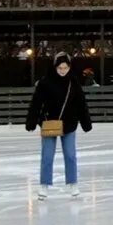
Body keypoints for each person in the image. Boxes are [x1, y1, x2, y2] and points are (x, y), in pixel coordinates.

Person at [26, 52, 94, 199]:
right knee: (47, 156)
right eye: (60, 68)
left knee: (70, 155)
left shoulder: (73, 82)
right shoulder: (45, 82)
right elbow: (36, 102)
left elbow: (81, 104)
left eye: (65, 68)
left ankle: (73, 183)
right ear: (55, 67)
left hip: (69, 124)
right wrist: (32, 120)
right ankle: (44, 185)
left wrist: (85, 123)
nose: (63, 71)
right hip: (49, 122)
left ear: (69, 67)